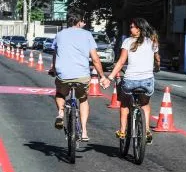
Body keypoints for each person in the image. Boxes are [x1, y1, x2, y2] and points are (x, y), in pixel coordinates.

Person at [49, 8, 110, 141]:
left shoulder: (59, 35)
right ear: (79, 21)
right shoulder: (87, 35)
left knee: (60, 93)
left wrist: (53, 69)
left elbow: (55, 55)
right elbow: (95, 59)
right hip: (82, 76)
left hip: (63, 75)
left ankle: (60, 112)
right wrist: (102, 76)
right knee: (83, 99)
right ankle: (84, 132)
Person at [107, 18, 160, 144]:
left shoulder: (128, 42)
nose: (130, 29)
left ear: (139, 29)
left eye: (132, 27)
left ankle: (122, 131)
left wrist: (109, 77)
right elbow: (157, 59)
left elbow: (121, 62)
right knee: (145, 105)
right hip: (147, 81)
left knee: (124, 104)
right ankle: (147, 131)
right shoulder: (153, 41)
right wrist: (156, 67)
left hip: (130, 81)